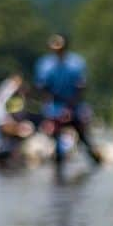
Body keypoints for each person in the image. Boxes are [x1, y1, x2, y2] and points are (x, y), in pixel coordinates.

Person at [34, 33, 102, 168]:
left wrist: (70, 107)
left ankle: (96, 163)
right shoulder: (45, 64)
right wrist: (49, 108)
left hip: (74, 105)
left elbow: (81, 86)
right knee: (56, 140)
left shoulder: (76, 63)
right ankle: (58, 173)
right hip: (54, 106)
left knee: (83, 137)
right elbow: (42, 87)